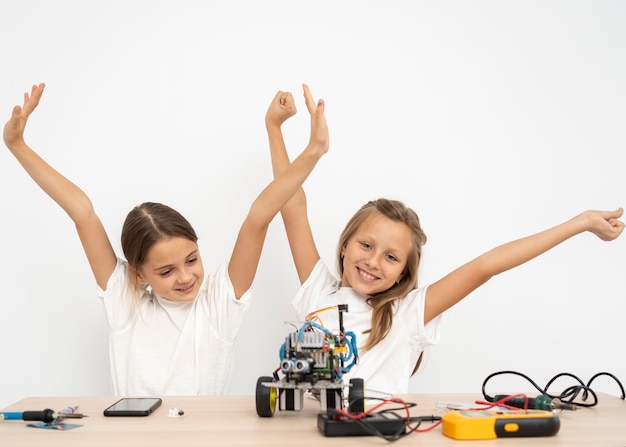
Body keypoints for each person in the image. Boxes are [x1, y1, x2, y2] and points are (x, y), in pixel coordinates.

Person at [265, 87, 624, 396]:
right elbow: (291, 205)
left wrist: (581, 223)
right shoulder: (319, 292)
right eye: (366, 246)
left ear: (404, 272)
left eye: (391, 257)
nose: (373, 262)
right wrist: (275, 128)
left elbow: (487, 266)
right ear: (345, 245)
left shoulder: (404, 314)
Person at [3, 82, 329, 396]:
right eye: (166, 271)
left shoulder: (219, 302)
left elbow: (259, 216)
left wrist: (311, 152)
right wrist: (18, 145)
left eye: (191, 259)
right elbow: (82, 212)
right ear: (138, 274)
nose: (186, 277)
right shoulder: (125, 302)